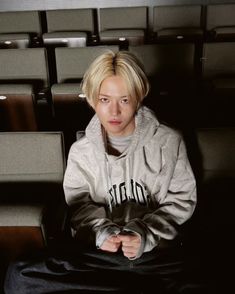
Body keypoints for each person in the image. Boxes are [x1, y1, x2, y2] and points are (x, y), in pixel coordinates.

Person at [4, 50, 197, 294]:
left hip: (156, 255)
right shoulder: (81, 152)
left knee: (215, 274)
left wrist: (145, 234)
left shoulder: (169, 141)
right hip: (100, 256)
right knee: (20, 275)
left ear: (139, 98)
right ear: (93, 100)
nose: (114, 112)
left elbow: (181, 201)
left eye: (124, 100)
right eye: (105, 100)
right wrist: (101, 232)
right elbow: (78, 204)